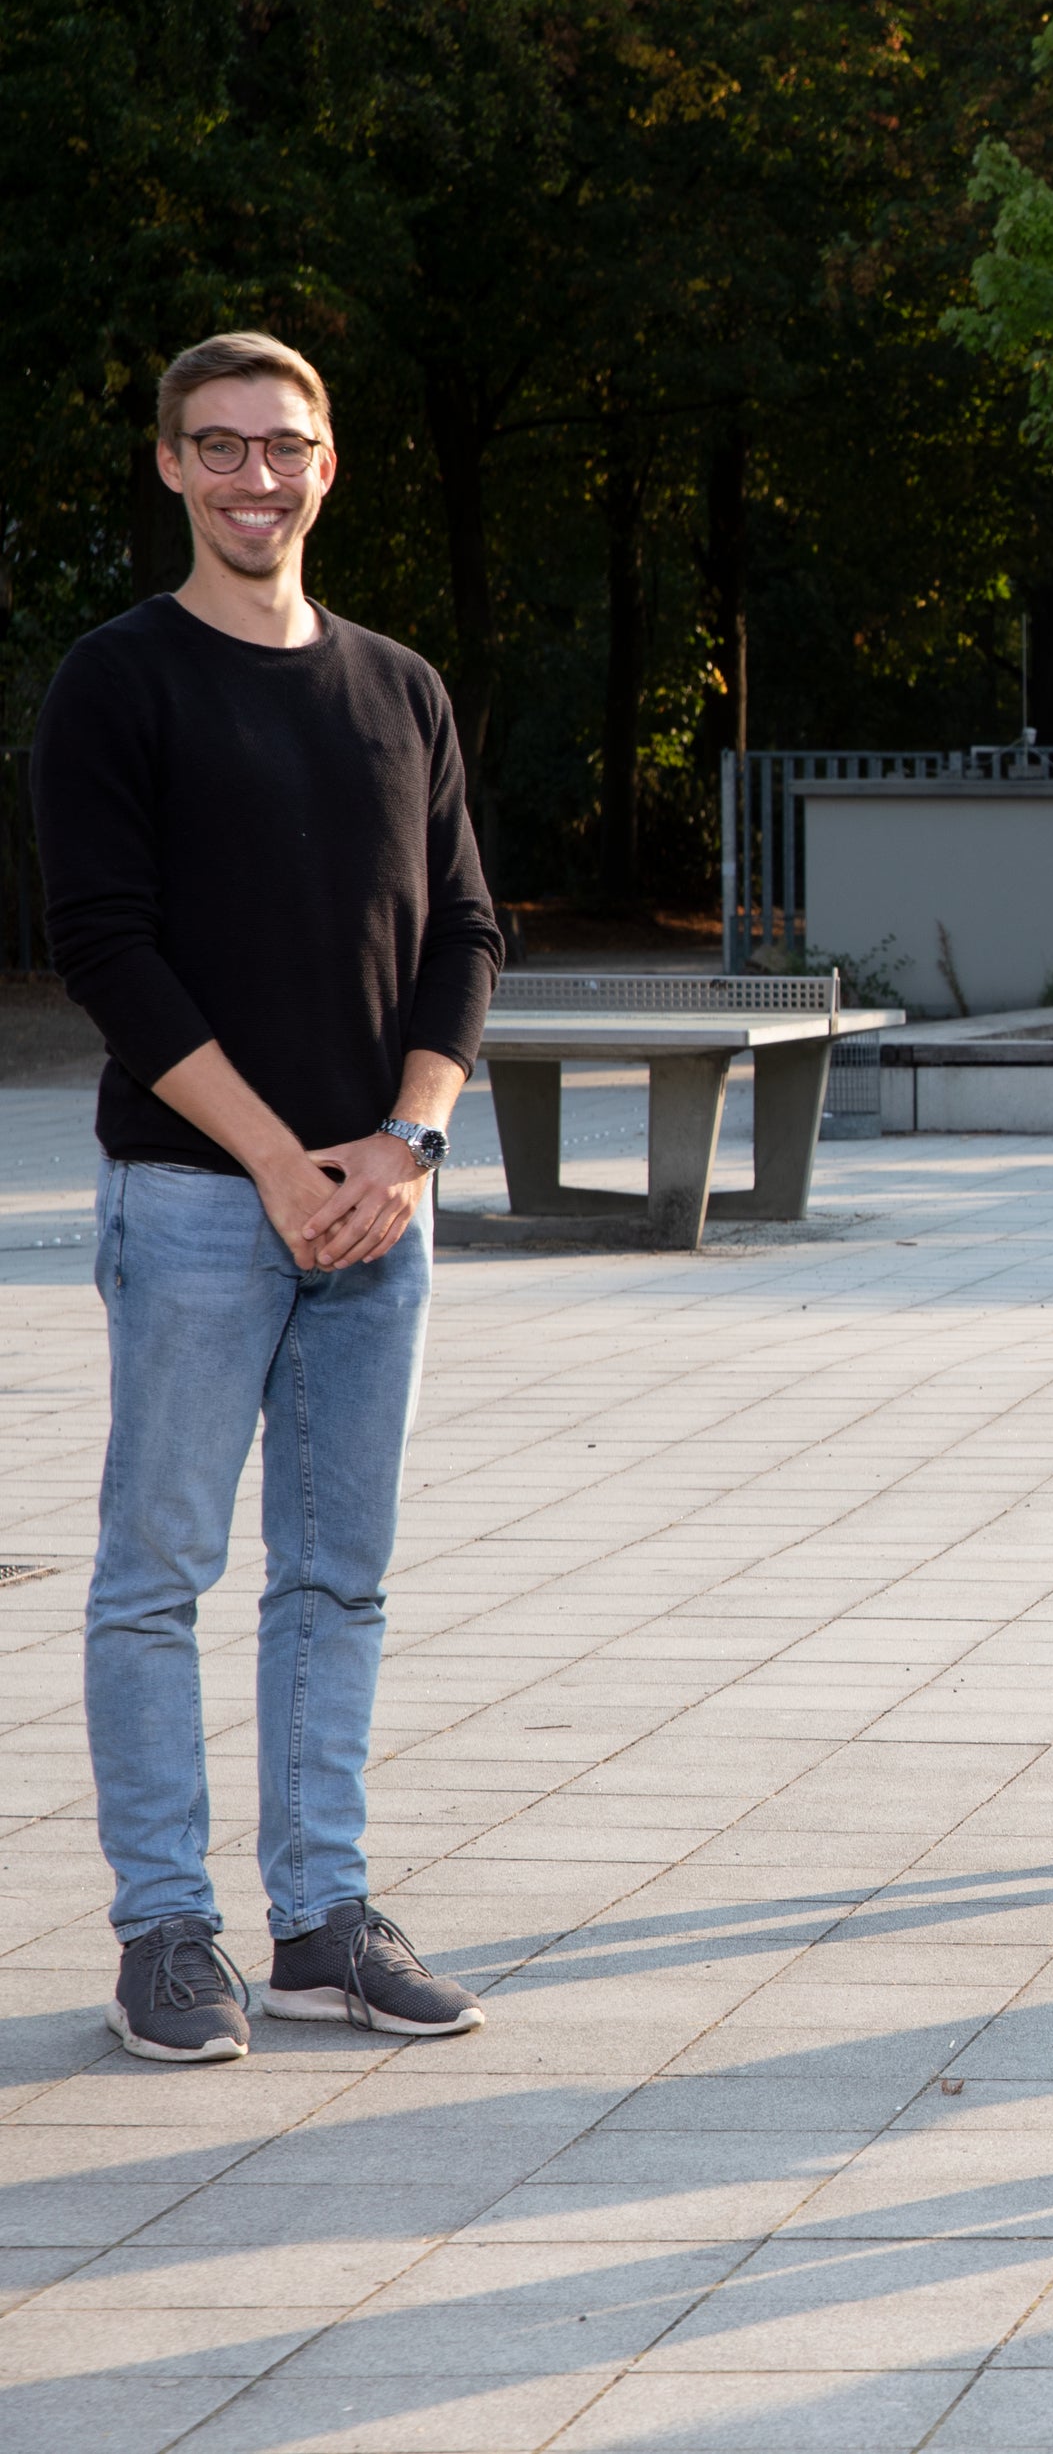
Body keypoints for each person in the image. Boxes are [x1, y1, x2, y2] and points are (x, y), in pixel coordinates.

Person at [35, 331, 503, 2061]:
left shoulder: (401, 686)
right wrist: (274, 1160)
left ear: (328, 463)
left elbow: (467, 931)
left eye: (284, 445)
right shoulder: (117, 680)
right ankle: (166, 1931)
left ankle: (323, 1920)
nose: (255, 476)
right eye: (219, 446)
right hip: (194, 1204)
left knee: (338, 1581)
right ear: (170, 464)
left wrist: (406, 1143)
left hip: (379, 1209)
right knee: (155, 1575)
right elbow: (104, 946)